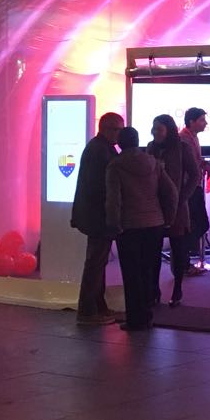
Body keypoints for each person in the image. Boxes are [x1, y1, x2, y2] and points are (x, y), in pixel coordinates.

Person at [106, 126, 175, 330]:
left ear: (119, 143)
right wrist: (168, 218)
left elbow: (113, 200)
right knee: (148, 270)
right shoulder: (154, 163)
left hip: (129, 226)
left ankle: (136, 319)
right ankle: (148, 312)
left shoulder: (115, 166)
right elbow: (171, 192)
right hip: (154, 223)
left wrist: (113, 224)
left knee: (131, 273)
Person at [70, 112, 124, 325]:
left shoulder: (99, 147)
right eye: (116, 129)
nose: (119, 133)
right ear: (106, 128)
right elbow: (100, 188)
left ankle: (98, 308)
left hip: (93, 215)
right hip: (97, 217)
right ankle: (87, 311)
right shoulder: (100, 151)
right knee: (94, 263)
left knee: (98, 262)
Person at [149, 113, 202, 305]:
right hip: (154, 206)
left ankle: (177, 289)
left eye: (159, 129)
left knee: (178, 249)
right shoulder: (151, 148)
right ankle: (154, 289)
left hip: (177, 207)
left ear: (168, 130)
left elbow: (195, 175)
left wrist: (182, 197)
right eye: (154, 128)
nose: (155, 132)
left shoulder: (182, 148)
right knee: (153, 250)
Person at [179, 107, 210, 273]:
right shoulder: (184, 139)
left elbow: (195, 160)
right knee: (193, 225)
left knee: (197, 224)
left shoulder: (192, 137)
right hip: (189, 188)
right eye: (201, 120)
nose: (205, 123)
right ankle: (182, 262)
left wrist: (203, 163)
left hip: (194, 187)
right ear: (191, 122)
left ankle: (184, 262)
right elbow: (189, 164)